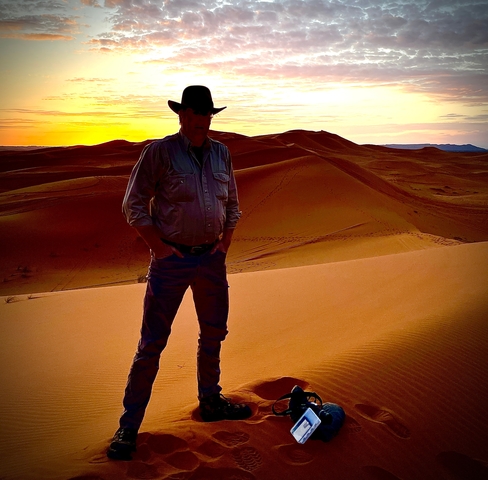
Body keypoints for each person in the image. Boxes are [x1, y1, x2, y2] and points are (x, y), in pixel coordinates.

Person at [107, 86, 251, 461]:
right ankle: (128, 426)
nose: (203, 120)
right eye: (196, 113)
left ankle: (211, 401)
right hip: (171, 262)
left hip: (211, 260)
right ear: (182, 115)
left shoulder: (222, 154)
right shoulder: (160, 152)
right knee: (151, 344)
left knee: (214, 334)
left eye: (208, 114)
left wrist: (227, 239)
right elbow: (133, 204)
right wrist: (157, 246)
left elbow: (233, 203)